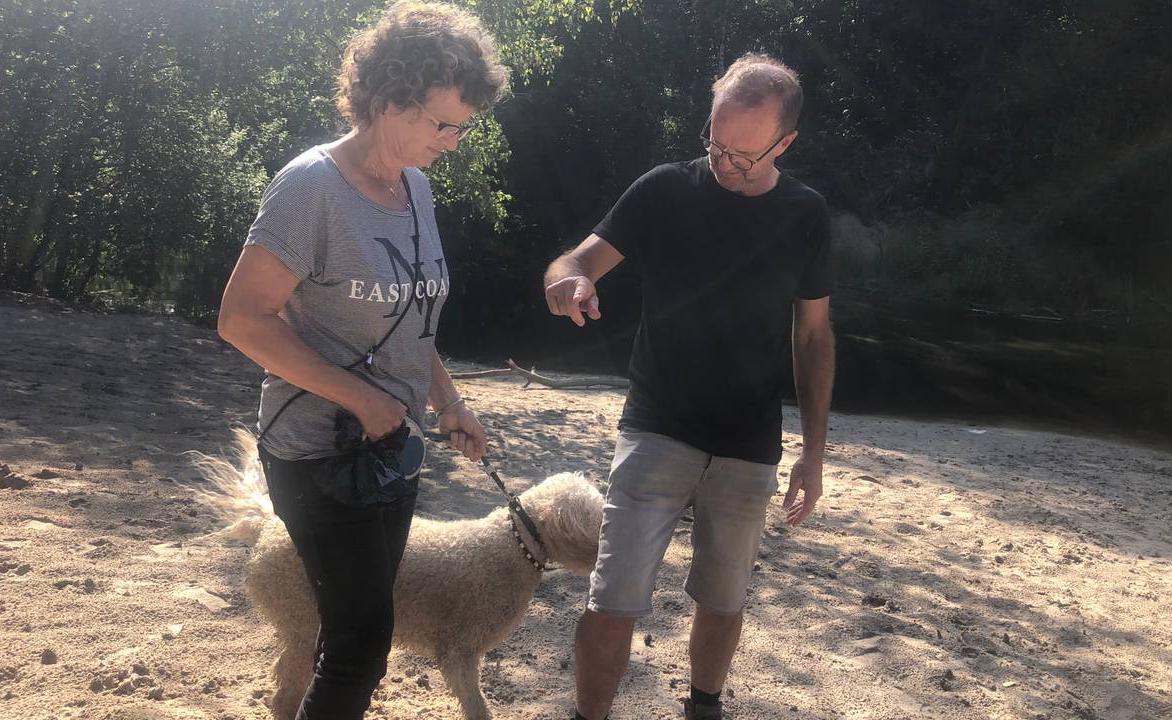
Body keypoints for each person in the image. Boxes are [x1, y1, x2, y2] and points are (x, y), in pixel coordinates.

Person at [216, 4, 506, 718]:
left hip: (392, 450)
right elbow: (242, 319)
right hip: (317, 453)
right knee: (362, 642)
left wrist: (448, 403)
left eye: (462, 127)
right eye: (442, 124)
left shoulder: (415, 188)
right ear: (387, 100)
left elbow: (412, 319)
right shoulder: (309, 188)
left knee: (356, 629)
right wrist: (362, 399)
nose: (452, 142)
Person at [543, 53, 835, 720]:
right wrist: (568, 282)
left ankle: (704, 707)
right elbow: (574, 260)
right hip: (656, 426)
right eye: (715, 142)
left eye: (744, 155)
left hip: (748, 442)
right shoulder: (664, 190)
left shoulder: (806, 215)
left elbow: (814, 338)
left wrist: (814, 452)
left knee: (724, 599)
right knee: (611, 597)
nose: (724, 162)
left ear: (785, 143)